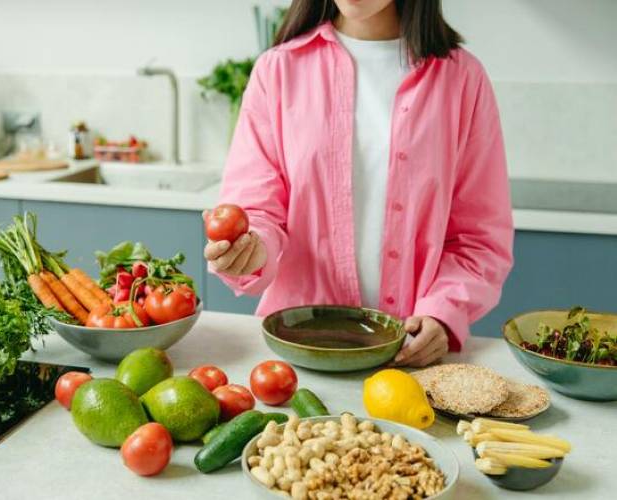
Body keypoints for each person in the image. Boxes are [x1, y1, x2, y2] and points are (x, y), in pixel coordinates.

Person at [203, 0, 514, 367]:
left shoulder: (462, 79)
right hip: (300, 358)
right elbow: (258, 212)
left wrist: (443, 313)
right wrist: (251, 248)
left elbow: (478, 239)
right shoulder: (278, 71)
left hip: (413, 361)